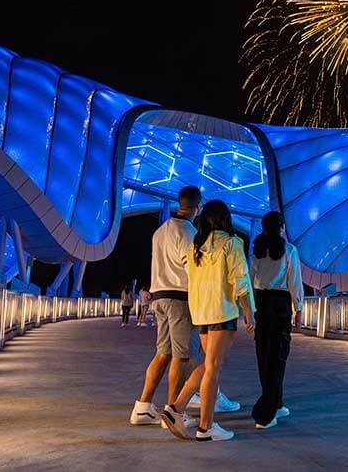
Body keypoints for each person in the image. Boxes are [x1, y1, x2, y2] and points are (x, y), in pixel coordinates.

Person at [129, 187, 240, 428]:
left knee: (163, 353)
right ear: (198, 207)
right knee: (183, 356)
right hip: (180, 299)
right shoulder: (188, 232)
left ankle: (143, 407)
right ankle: (174, 412)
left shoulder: (159, 232)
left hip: (159, 297)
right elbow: (194, 270)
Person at [162, 200, 255, 442]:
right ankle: (205, 427)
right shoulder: (232, 243)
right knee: (213, 367)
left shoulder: (196, 247)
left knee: (209, 364)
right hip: (222, 311)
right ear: (225, 218)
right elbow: (240, 279)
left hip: (201, 313)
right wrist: (248, 311)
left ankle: (177, 408)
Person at [249, 211, 303, 429]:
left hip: (261, 303)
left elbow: (250, 281)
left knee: (263, 354)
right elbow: (295, 281)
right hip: (280, 304)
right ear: (281, 227)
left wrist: (250, 310)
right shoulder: (289, 250)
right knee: (278, 355)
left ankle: (276, 402)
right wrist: (298, 308)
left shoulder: (257, 251)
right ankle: (267, 413)